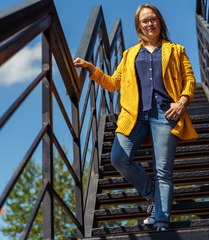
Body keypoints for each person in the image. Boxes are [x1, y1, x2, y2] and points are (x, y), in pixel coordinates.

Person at [74, 4, 198, 231]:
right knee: (118, 157)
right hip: (135, 115)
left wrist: (181, 103)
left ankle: (161, 222)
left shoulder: (176, 50)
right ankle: (152, 195)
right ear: (139, 26)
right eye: (145, 21)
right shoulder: (129, 54)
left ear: (160, 21)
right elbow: (113, 84)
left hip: (165, 113)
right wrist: (92, 68)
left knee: (163, 171)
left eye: (153, 19)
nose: (150, 24)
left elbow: (189, 80)